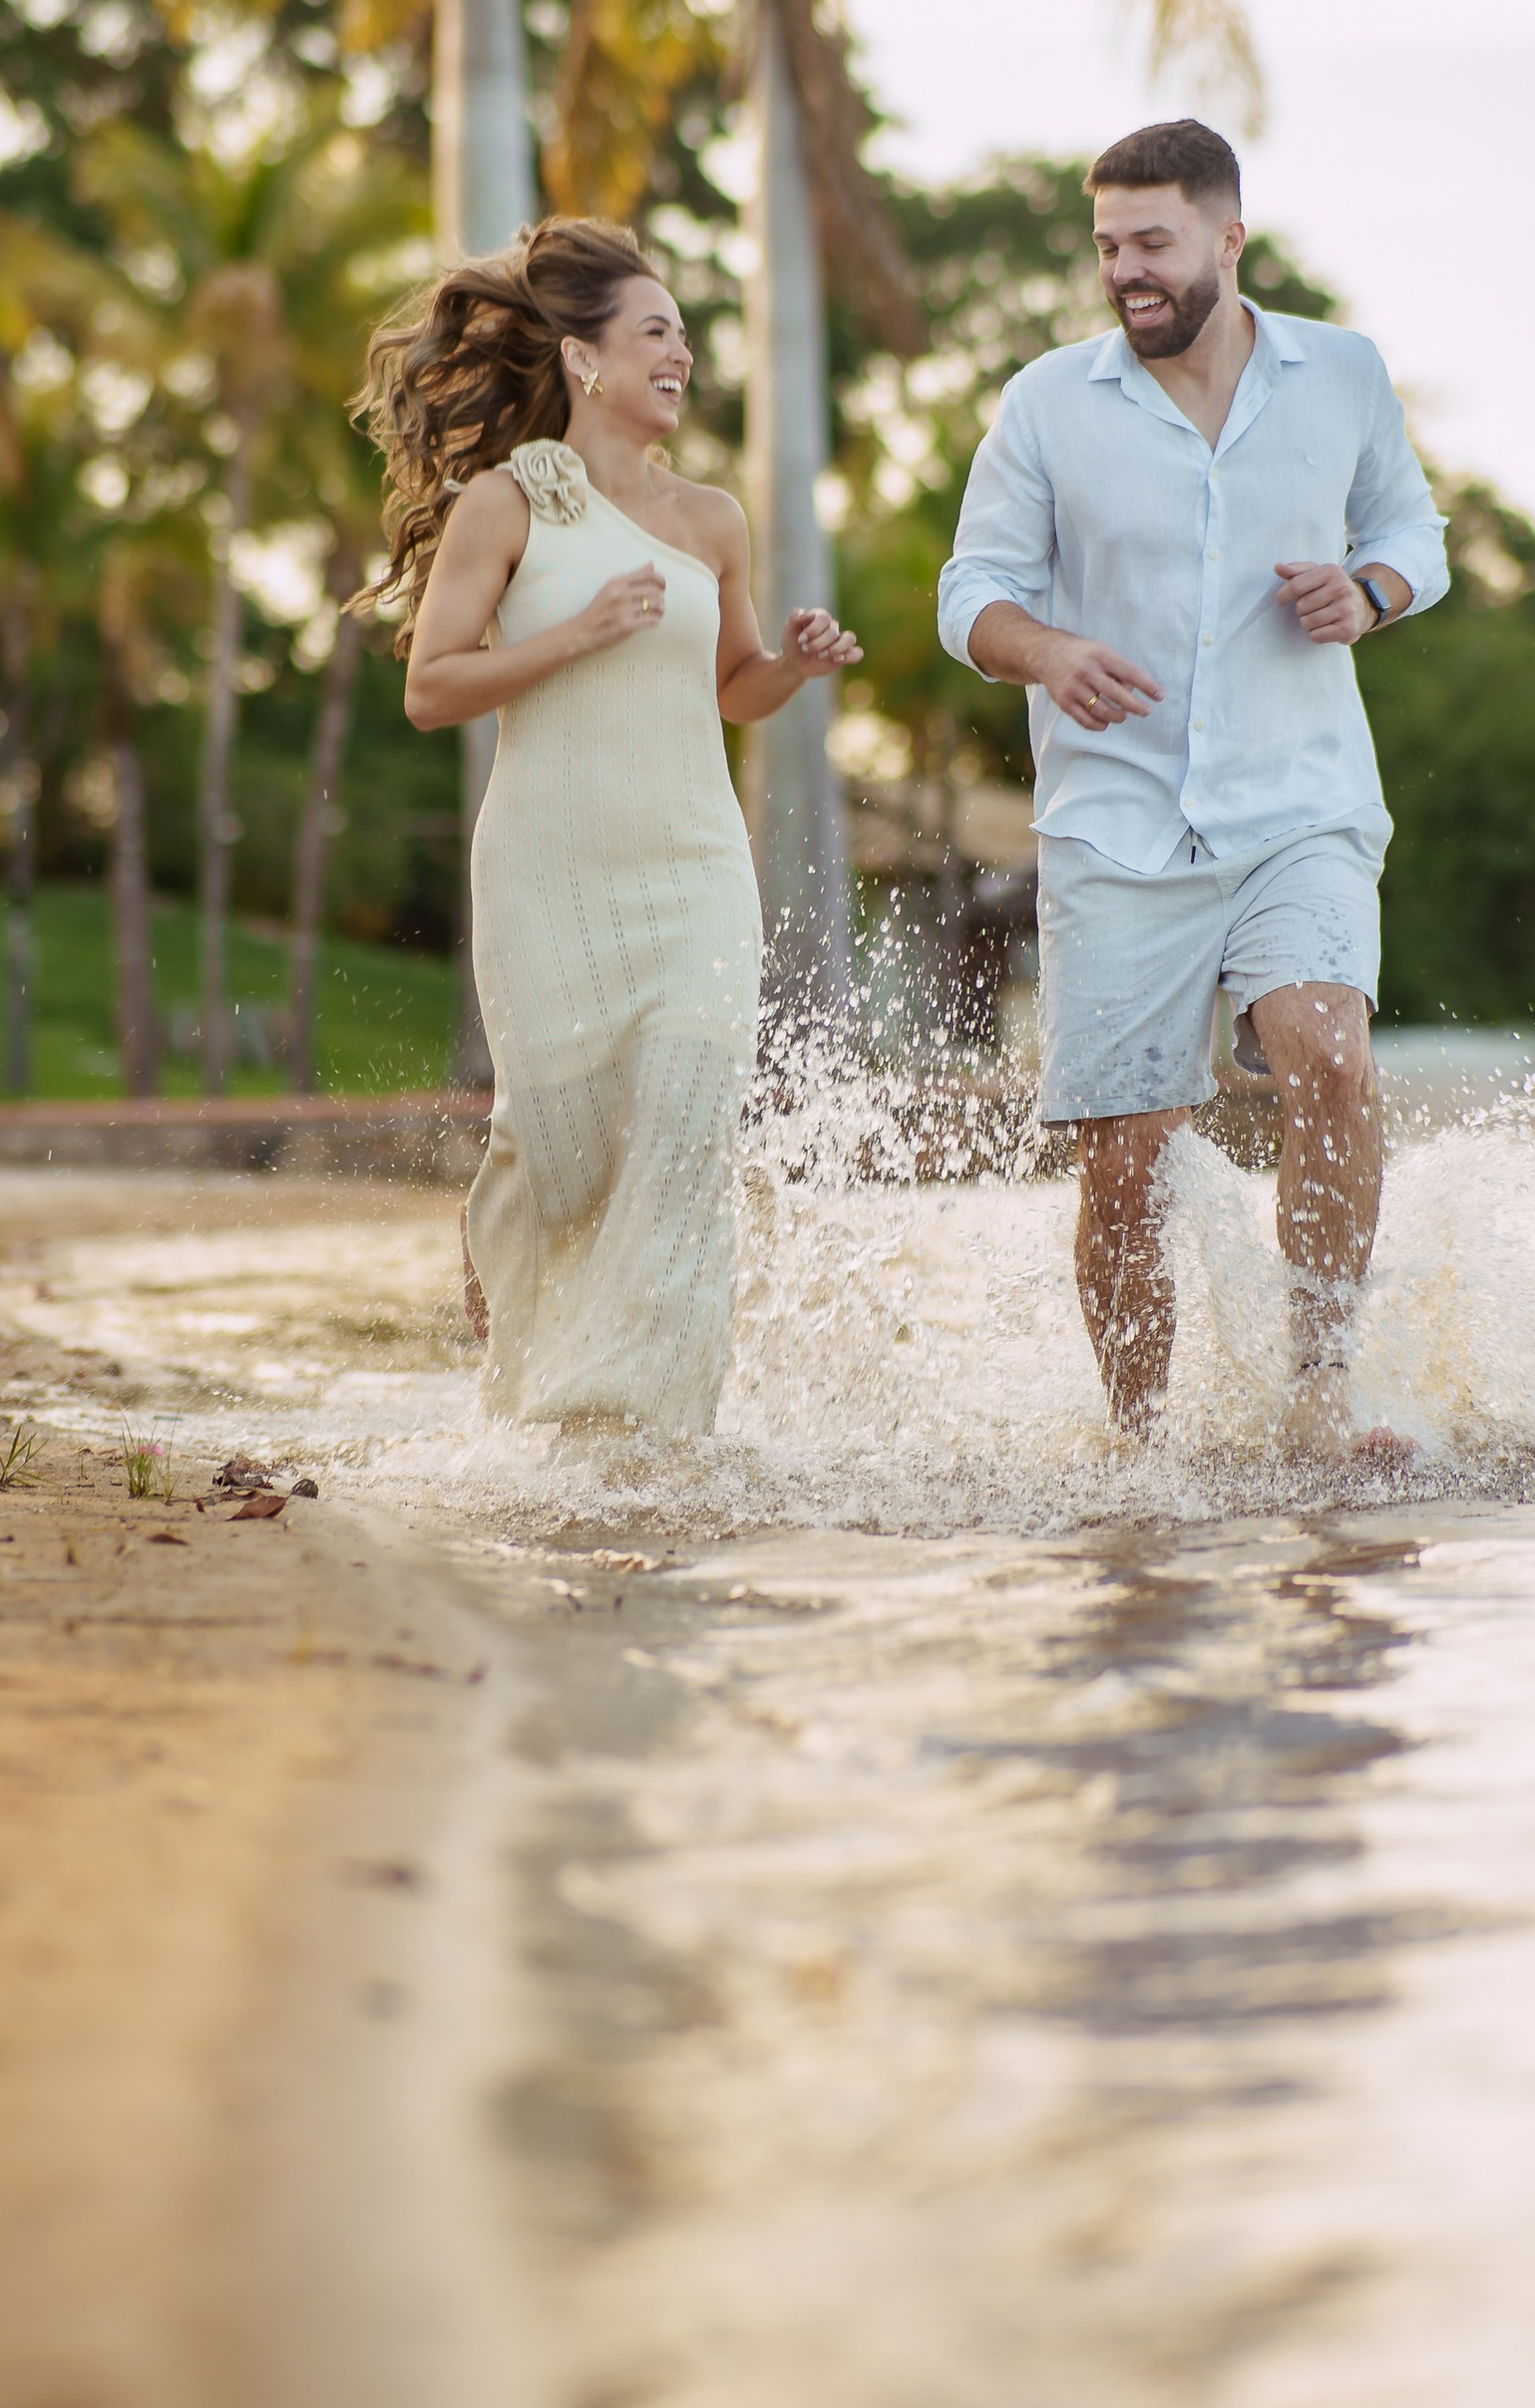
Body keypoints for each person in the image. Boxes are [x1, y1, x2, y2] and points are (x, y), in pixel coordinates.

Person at [936, 120, 1447, 1435]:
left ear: (1228, 237)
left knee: (1328, 1059)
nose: (1128, 271)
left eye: (1153, 242)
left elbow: (1411, 533)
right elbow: (970, 592)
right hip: (1118, 827)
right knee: (1126, 1163)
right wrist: (1046, 651)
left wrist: (1370, 590)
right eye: (1109, 247)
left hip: (1303, 810)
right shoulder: (1047, 400)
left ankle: (1320, 1393)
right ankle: (1138, 1447)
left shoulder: (1339, 375)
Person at [359, 218, 859, 1435]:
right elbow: (431, 688)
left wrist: (788, 670)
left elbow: (729, 685)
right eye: (655, 332)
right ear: (584, 359)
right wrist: (572, 636)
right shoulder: (507, 502)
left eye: (686, 334)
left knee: (684, 1129)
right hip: (552, 874)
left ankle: (644, 1432)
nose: (680, 352)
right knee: (567, 1151)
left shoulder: (712, 522)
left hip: (693, 872)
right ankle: (526, 1310)